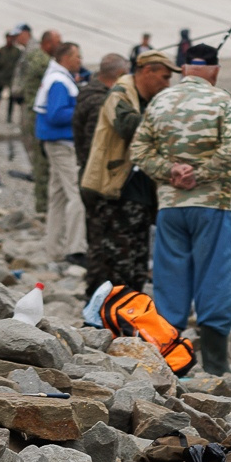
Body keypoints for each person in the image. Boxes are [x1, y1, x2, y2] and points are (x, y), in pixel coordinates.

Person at [131, 42, 231, 375]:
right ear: (215, 70)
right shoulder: (222, 99)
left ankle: (169, 364)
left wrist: (170, 171)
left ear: (183, 69)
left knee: (170, 282)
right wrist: (201, 173)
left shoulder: (160, 101)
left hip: (170, 208)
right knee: (216, 280)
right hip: (213, 206)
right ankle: (215, 368)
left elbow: (139, 150)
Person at [81, 51, 172, 297]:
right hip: (111, 193)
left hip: (137, 195)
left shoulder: (148, 100)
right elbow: (128, 126)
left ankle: (127, 318)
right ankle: (99, 322)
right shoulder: (120, 94)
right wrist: (169, 123)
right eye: (164, 78)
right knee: (111, 264)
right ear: (147, 71)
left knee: (137, 264)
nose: (167, 84)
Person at [35, 40, 86, 266]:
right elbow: (56, 115)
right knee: (77, 193)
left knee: (57, 196)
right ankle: (76, 248)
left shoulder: (57, 77)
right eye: (77, 56)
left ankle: (53, 249)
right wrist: (82, 108)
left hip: (54, 143)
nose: (80, 60)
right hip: (62, 145)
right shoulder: (58, 81)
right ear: (65, 58)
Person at [17, 30, 60, 214]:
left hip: (32, 112)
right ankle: (42, 206)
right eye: (58, 42)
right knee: (41, 163)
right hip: (35, 116)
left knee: (40, 161)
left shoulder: (37, 56)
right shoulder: (43, 61)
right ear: (49, 44)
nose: (60, 46)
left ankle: (43, 204)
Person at [0, 25, 26, 122]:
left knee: (11, 100)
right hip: (1, 78)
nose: (9, 40)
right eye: (8, 38)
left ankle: (9, 117)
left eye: (11, 38)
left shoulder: (17, 51)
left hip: (11, 78)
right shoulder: (1, 50)